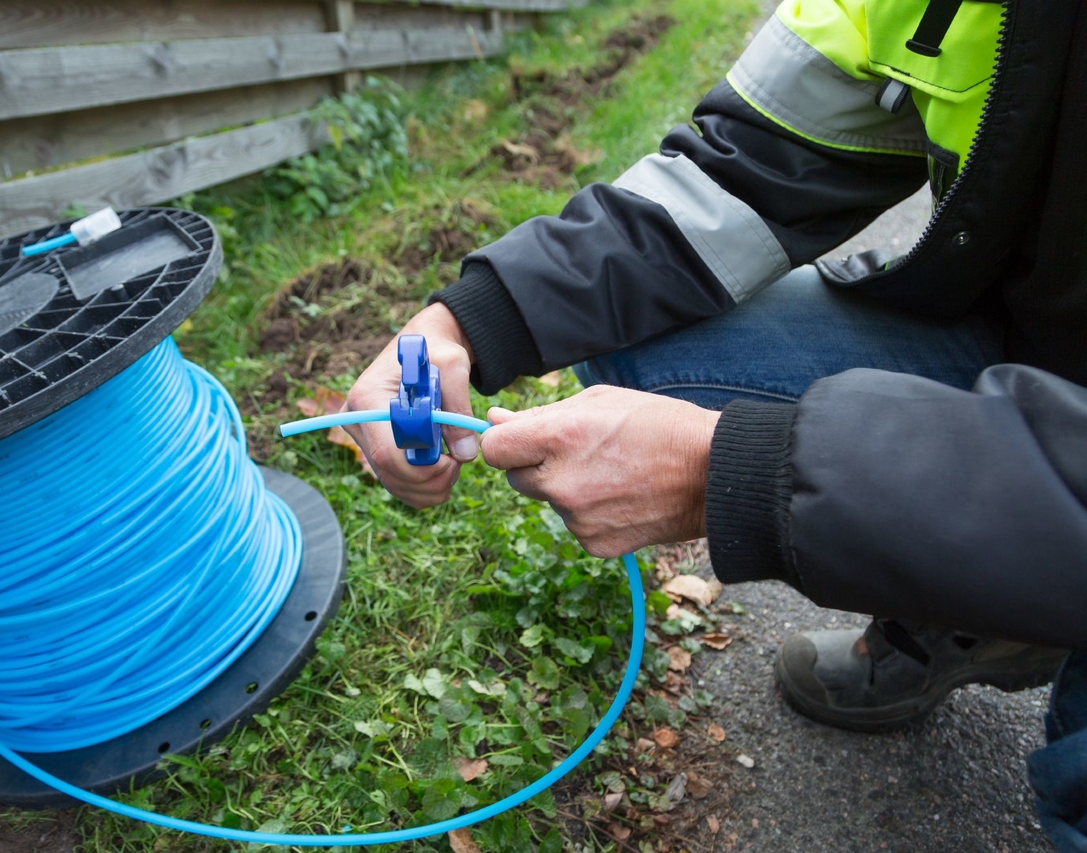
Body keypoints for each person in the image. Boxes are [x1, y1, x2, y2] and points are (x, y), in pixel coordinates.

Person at [343, 0, 1087, 848]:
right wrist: (474, 319)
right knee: (646, 350)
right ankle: (990, 610)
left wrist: (736, 470)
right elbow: (735, 173)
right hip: (1030, 355)